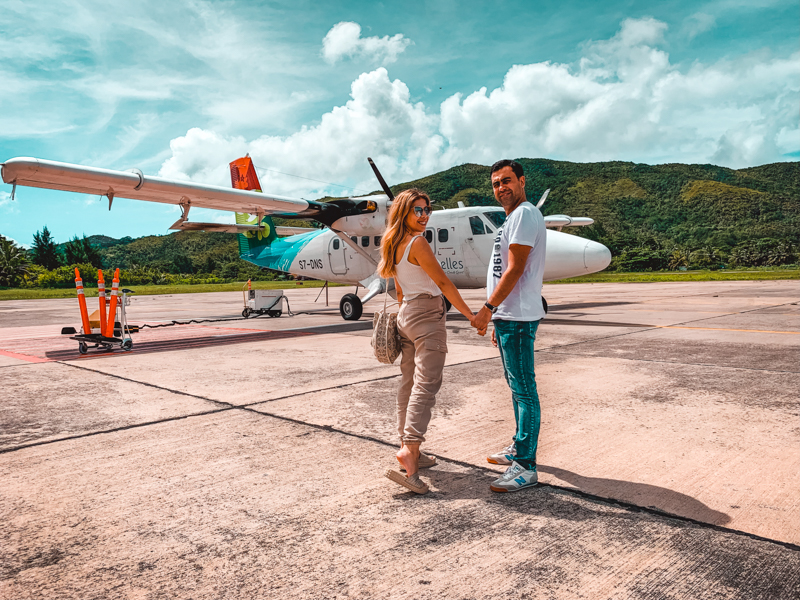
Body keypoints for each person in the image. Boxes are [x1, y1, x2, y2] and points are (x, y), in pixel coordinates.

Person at [378, 188, 476, 495]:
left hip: (407, 313)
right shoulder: (418, 242)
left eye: (427, 210)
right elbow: (444, 282)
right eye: (417, 210)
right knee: (426, 383)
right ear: (404, 212)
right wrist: (472, 316)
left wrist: (403, 314)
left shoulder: (393, 242)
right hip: (427, 314)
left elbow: (399, 288)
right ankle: (410, 452)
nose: (424, 216)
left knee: (408, 382)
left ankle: (411, 447)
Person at [472, 159, 547, 493]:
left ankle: (526, 467)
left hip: (515, 316)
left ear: (522, 181)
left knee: (524, 391)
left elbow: (514, 269)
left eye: (506, 181)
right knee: (517, 388)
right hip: (508, 315)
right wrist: (496, 316)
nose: (501, 188)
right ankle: (519, 446)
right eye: (495, 184)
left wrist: (488, 309)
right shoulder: (512, 218)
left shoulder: (525, 214)